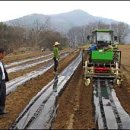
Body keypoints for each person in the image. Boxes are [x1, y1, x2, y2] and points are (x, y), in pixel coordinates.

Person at [0, 48, 9, 116]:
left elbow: (3, 71)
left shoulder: (1, 62)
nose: (4, 55)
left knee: (3, 97)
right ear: (0, 54)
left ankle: (1, 110)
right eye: (3, 53)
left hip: (2, 82)